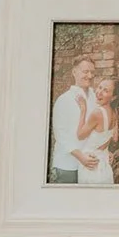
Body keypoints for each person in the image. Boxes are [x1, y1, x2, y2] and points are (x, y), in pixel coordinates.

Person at [47, 53, 97, 183]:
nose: (90, 76)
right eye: (85, 71)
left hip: (90, 163)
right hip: (68, 165)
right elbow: (61, 135)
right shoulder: (64, 100)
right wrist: (81, 157)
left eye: (92, 72)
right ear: (74, 72)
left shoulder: (95, 98)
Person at [75, 75, 116, 185]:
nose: (99, 92)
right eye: (100, 87)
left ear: (113, 97)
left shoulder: (97, 113)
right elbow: (113, 138)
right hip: (104, 166)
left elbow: (80, 136)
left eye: (106, 90)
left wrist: (83, 110)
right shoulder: (114, 113)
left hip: (91, 166)